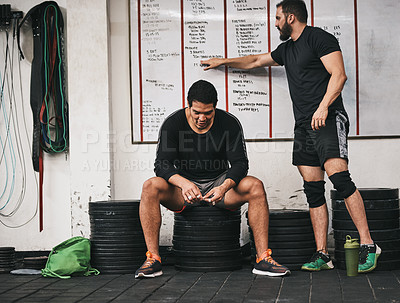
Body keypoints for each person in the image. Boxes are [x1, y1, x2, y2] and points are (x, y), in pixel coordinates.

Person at [201, 0, 380, 273]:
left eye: (277, 18)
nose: (275, 23)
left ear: (291, 17)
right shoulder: (288, 49)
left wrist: (323, 108)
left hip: (328, 119)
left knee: (340, 180)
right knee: (313, 190)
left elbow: (339, 75)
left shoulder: (319, 38)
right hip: (303, 126)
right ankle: (323, 254)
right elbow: (256, 61)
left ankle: (368, 244)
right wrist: (222, 61)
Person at [135, 79, 290, 278]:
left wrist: (224, 187)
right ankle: (153, 259)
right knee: (150, 186)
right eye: (196, 112)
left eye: (208, 112)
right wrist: (183, 183)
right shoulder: (173, 123)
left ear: (215, 107)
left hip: (219, 187)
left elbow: (240, 164)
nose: (202, 118)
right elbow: (162, 164)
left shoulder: (229, 123)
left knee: (255, 186)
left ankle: (262, 259)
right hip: (184, 191)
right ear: (188, 104)